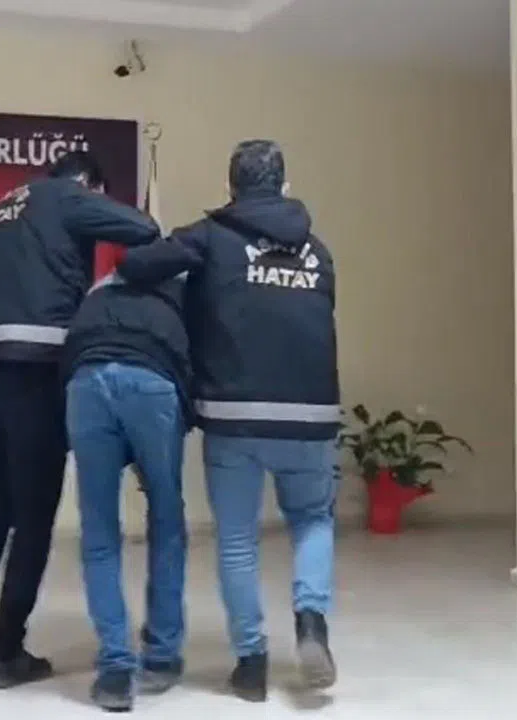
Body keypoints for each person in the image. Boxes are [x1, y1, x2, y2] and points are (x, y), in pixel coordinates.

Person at [117, 140, 340, 702]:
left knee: (238, 540)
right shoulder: (318, 251)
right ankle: (311, 622)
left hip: (234, 414)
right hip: (312, 412)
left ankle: (251, 663)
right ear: (285, 187)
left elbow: (136, 265)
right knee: (312, 519)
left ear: (230, 189)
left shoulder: (211, 236)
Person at [0, 151, 161, 689]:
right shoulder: (65, 196)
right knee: (34, 514)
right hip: (33, 368)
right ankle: (5, 651)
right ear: (89, 185)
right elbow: (143, 228)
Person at [61, 266, 191, 712]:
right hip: (151, 383)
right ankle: (161, 656)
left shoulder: (103, 285)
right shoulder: (184, 286)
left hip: (85, 383)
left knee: (98, 530)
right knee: (167, 520)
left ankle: (115, 669)